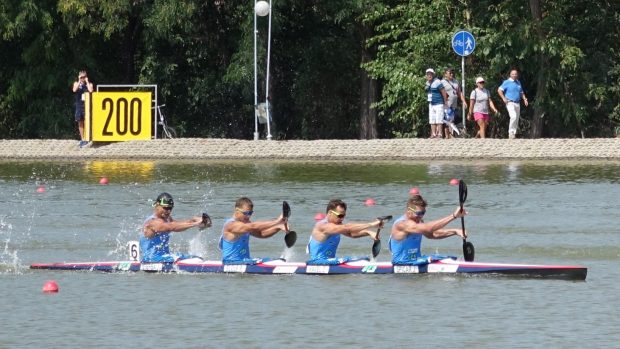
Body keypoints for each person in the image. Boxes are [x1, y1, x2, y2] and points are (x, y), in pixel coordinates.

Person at [389, 194, 467, 265]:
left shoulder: (418, 222)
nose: (421, 216)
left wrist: (455, 231)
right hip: (401, 263)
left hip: (416, 260)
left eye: (423, 213)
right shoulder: (402, 224)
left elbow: (432, 234)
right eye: (419, 213)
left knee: (451, 258)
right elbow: (428, 228)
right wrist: (453, 216)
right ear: (409, 211)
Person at [307, 199, 382, 265]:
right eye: (340, 216)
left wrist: (368, 232)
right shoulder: (322, 226)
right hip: (317, 262)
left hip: (330, 261)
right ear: (330, 213)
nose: (342, 219)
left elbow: (351, 234)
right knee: (358, 260)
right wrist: (372, 224)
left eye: (344, 216)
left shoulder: (337, 226)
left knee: (365, 258)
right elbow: (348, 227)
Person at [141, 192, 209, 263]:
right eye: (166, 208)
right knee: (193, 260)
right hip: (151, 258)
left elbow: (176, 224)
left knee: (197, 258)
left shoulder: (167, 219)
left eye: (170, 208)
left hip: (164, 256)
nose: (168, 211)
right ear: (157, 206)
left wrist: (192, 220)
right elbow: (171, 227)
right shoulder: (153, 222)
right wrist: (196, 223)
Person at [220, 197, 288, 264]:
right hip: (231, 262)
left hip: (245, 261)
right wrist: (277, 221)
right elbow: (254, 226)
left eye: (250, 213)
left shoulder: (246, 224)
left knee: (278, 260)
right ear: (236, 211)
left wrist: (278, 227)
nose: (248, 216)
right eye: (246, 213)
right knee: (274, 261)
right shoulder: (231, 225)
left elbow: (262, 234)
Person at [497, 69, 528, 139]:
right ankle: (510, 132)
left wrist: (525, 99)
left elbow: (521, 92)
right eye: (513, 74)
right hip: (509, 102)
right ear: (510, 74)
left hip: (517, 103)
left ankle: (513, 134)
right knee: (513, 116)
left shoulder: (518, 82)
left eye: (515, 74)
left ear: (517, 75)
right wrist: (503, 98)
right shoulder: (506, 82)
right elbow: (499, 90)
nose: (514, 75)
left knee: (516, 119)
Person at [440, 68, 468, 138]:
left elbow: (459, 92)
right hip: (446, 104)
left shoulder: (456, 82)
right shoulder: (442, 82)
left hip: (454, 104)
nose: (452, 74)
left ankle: (451, 134)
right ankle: (447, 135)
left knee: (451, 119)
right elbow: (439, 92)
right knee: (447, 119)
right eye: (450, 73)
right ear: (445, 74)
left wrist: (464, 101)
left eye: (452, 73)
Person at [71, 70, 94, 148]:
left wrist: (86, 82)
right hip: (79, 105)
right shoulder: (76, 83)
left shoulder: (89, 84)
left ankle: (88, 138)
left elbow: (91, 90)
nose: (83, 78)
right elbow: (74, 90)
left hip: (87, 106)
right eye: (81, 77)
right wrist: (79, 81)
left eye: (84, 77)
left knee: (87, 122)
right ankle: (82, 138)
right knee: (80, 122)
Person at [424, 68, 449, 138]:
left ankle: (440, 134)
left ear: (433, 74)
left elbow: (443, 91)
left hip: (439, 103)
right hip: (431, 103)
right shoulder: (427, 83)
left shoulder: (437, 82)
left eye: (430, 74)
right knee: (432, 119)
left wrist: (445, 101)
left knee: (439, 118)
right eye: (428, 74)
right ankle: (433, 134)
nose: (429, 76)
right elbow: (427, 91)